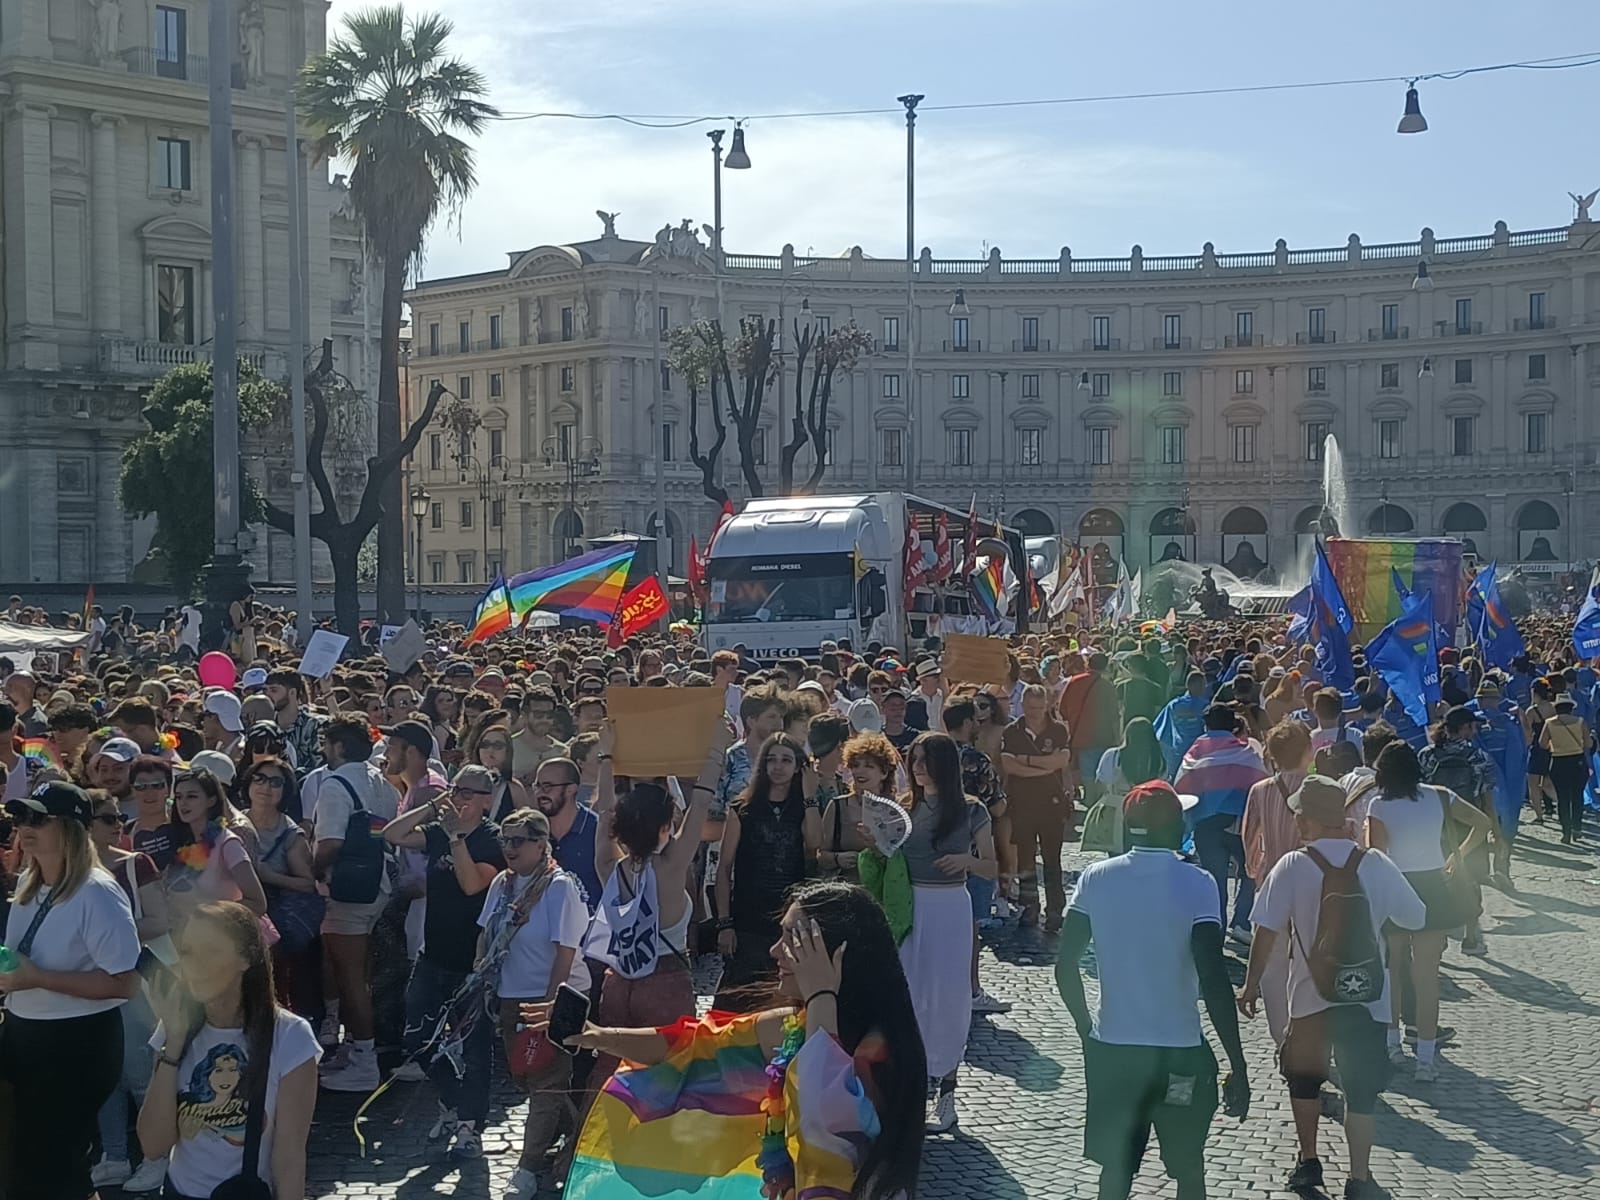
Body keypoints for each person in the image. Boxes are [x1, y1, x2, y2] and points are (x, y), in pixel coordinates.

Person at [537, 880, 927, 1200]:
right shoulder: (794, 1026)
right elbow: (692, 1046)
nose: (776, 952)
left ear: (836, 955)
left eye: (793, 940)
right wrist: (597, 1036)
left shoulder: (879, 1050)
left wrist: (822, 995)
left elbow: (825, 1130)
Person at [1056, 781, 1250, 1200]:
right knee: (1188, 1171)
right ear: (1177, 825)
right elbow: (1214, 977)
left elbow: (1065, 966)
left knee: (1117, 1172)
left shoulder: (1096, 879)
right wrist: (1238, 1062)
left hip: (1115, 1054)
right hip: (1179, 1054)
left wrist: (1085, 1029)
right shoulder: (1198, 883)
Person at [1238, 776, 1425, 1200]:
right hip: (1368, 1000)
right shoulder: (1375, 863)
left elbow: (1265, 931)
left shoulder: (1292, 865)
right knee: (1361, 1089)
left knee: (1304, 1082)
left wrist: (1250, 986)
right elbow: (1416, 915)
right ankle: (1360, 1176)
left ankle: (1308, 1163)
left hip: (1309, 997)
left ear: (1307, 820)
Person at [0, 781, 142, 1200]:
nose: (26, 827)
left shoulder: (96, 892)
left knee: (53, 1163)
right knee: (25, 1161)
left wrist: (38, 978)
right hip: (27, 1032)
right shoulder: (28, 883)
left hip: (78, 1042)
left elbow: (126, 982)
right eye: (22, 818)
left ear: (72, 829)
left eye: (39, 819)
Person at [139, 901, 319, 1200]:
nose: (195, 965)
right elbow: (154, 1146)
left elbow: (288, 1159)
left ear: (246, 959)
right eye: (187, 952)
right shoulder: (176, 1027)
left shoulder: (290, 1036)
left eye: (211, 951)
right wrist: (173, 1042)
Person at [382, 768, 506, 1157]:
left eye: (470, 793)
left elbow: (472, 883)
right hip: (432, 955)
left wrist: (456, 837)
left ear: (487, 800)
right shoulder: (438, 829)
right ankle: (452, 1100)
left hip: (472, 962)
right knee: (416, 1037)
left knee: (474, 1048)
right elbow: (393, 834)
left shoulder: (493, 839)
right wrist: (434, 805)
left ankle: (471, 1124)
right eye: (457, 790)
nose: (462, 798)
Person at [1361, 742, 1493, 1082]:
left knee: (1393, 969)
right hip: (1434, 887)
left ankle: (1392, 1044)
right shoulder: (1439, 795)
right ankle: (1426, 1059)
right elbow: (1481, 823)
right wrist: (1459, 855)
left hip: (1396, 885)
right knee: (1427, 976)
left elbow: (1376, 853)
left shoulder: (1379, 804)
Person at [478, 808, 592, 1200]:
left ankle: (526, 1170)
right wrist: (480, 978)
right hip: (511, 994)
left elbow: (565, 951)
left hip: (553, 995)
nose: (508, 848)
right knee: (527, 1078)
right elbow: (486, 933)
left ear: (541, 844)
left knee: (546, 1083)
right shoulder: (502, 884)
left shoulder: (560, 887)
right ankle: (580, 1134)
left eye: (517, 841)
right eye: (504, 840)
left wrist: (551, 1004)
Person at [899, 732, 998, 1133]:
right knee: (911, 993)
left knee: (950, 996)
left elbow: (992, 866)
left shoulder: (971, 810)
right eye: (915, 759)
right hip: (910, 906)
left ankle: (948, 1090)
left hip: (950, 906)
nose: (919, 767)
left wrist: (967, 861)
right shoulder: (904, 808)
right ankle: (914, 1086)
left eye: (926, 759)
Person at [88, 788, 175, 1194]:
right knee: (103, 1075)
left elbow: (159, 920)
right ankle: (115, 1155)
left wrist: (105, 938)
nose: (117, 824)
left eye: (116, 818)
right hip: (88, 985)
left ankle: (157, 1156)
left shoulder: (135, 865)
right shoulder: (66, 872)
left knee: (142, 1072)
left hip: (135, 981)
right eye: (106, 818)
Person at [713, 732, 814, 1009]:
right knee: (733, 1006)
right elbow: (723, 869)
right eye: (771, 760)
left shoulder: (802, 808)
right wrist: (724, 923)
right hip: (747, 920)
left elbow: (816, 843)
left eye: (786, 760)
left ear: (797, 766)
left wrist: (809, 795)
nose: (778, 767)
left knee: (782, 1003)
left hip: (788, 920)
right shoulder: (742, 808)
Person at [236, 757, 324, 1021]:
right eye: (260, 778)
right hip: (236, 915)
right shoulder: (233, 824)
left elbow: (308, 883)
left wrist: (268, 875)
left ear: (286, 791)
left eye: (276, 782)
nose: (266, 787)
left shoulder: (290, 833)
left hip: (275, 925)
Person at [1175, 704, 1269, 942]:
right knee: (1250, 872)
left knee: (1214, 879)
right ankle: (1241, 921)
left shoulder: (1194, 753)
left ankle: (1216, 928)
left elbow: (1182, 785)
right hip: (1240, 824)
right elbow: (1261, 783)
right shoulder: (1247, 752)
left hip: (1206, 825)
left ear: (1206, 725)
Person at [1418, 707, 1497, 955]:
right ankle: (1471, 936)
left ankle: (1438, 934)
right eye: (1472, 726)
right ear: (1463, 728)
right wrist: (1495, 829)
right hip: (1469, 823)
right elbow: (1487, 798)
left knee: (1437, 878)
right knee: (1472, 878)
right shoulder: (1478, 756)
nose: (1475, 731)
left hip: (1435, 825)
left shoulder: (1426, 755)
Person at [999, 683, 1073, 932]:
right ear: (1023, 705)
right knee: (1025, 859)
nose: (1035, 713)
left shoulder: (1058, 729)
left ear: (1046, 706)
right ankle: (1029, 906)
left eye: (1039, 708)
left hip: (1051, 804)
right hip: (1022, 803)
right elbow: (1008, 764)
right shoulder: (1013, 731)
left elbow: (1062, 761)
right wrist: (1043, 767)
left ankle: (1055, 909)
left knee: (1053, 860)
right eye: (1030, 708)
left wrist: (1028, 761)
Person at [165, 768, 268, 928]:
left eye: (192, 796)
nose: (183, 803)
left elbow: (258, 903)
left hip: (226, 940)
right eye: (178, 797)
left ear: (211, 800)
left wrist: (205, 907)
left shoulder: (228, 843)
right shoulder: (182, 842)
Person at [819, 732, 897, 883]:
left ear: (884, 772)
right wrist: (837, 858)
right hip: (846, 891)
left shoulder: (896, 809)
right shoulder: (837, 806)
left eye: (869, 766)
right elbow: (821, 855)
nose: (860, 771)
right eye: (855, 765)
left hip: (883, 892)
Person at [531, 757, 603, 907]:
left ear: (571, 789)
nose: (540, 793)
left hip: (590, 925)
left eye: (548, 786)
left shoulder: (597, 831)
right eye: (537, 786)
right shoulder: (533, 830)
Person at [1538, 695, 1592, 844]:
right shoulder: (1580, 722)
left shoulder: (1549, 723)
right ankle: (1577, 828)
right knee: (1577, 796)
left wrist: (1554, 744)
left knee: (1563, 798)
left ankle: (1566, 832)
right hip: (1577, 761)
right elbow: (1587, 743)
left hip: (1558, 761)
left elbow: (1542, 744)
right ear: (1571, 708)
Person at [1095, 716, 1166, 801]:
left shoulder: (1112, 756)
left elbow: (1100, 787)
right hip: (1148, 808)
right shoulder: (1160, 759)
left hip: (1116, 807)